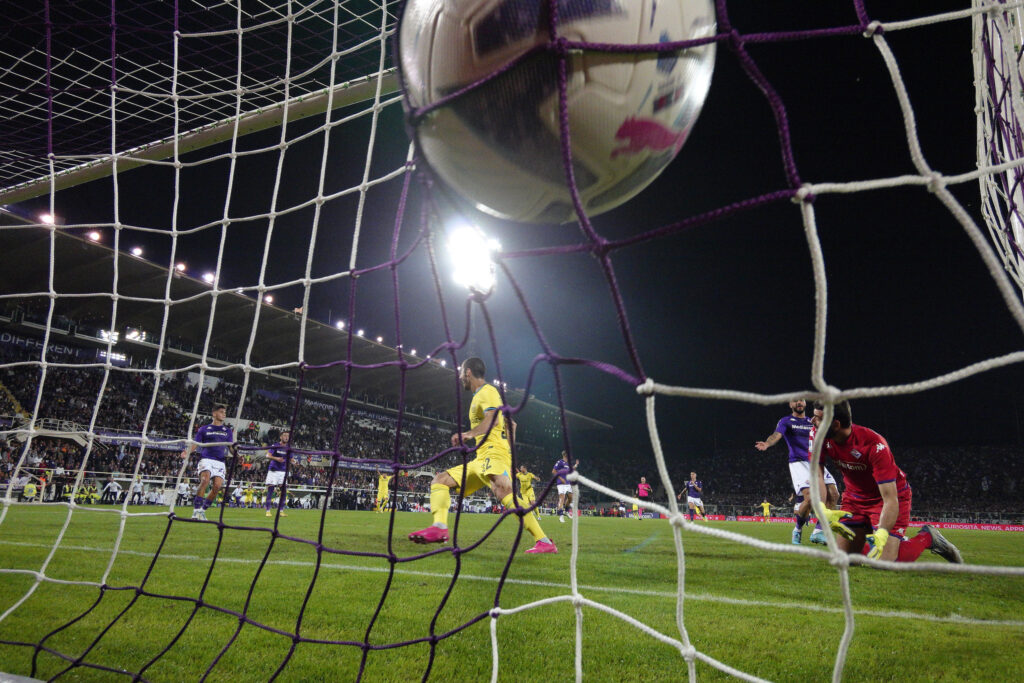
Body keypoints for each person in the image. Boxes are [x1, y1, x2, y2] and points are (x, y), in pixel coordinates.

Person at [409, 357, 556, 553]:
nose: (460, 377)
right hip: (483, 458)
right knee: (440, 480)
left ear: (468, 372)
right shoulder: (485, 395)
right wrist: (508, 453)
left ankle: (544, 541)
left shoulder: (487, 392)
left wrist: (469, 434)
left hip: (492, 454)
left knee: (503, 492)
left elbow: (493, 419)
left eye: (462, 373)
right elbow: (511, 425)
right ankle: (440, 528)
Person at [811, 401, 962, 564]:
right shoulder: (817, 434)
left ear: (835, 424)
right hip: (854, 499)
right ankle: (865, 537)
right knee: (844, 560)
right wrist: (821, 507)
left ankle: (927, 537)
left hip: (887, 498)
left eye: (818, 418)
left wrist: (882, 533)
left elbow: (890, 498)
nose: (812, 421)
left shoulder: (874, 445)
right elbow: (817, 474)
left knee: (884, 562)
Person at [755, 399, 840, 545]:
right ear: (790, 404)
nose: (798, 403)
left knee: (834, 493)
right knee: (811, 497)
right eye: (795, 401)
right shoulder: (786, 421)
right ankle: (798, 529)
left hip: (816, 461)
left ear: (805, 403)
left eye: (801, 400)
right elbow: (777, 434)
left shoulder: (811, 420)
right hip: (798, 463)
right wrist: (768, 443)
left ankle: (819, 531)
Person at [181, 404, 235, 521]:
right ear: (214, 414)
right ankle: (195, 511)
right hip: (206, 458)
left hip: (220, 461)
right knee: (205, 480)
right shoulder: (204, 429)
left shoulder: (228, 431)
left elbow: (231, 447)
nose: (224, 414)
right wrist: (188, 452)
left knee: (217, 486)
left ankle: (203, 511)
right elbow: (196, 443)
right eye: (221, 412)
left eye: (225, 412)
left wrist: (237, 454)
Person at [264, 431, 292, 517]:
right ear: (281, 437)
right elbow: (268, 455)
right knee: (271, 490)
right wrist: (276, 458)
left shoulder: (289, 448)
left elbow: (291, 459)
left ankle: (281, 511)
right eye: (284, 435)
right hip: (273, 471)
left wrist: (295, 462)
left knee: (284, 491)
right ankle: (268, 511)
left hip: (283, 472)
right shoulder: (275, 445)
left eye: (288, 436)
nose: (286, 437)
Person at [553, 451, 579, 522]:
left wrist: (576, 465)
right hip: (561, 484)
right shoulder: (560, 462)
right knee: (562, 498)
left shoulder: (568, 464)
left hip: (567, 483)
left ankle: (566, 511)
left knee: (570, 498)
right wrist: (561, 479)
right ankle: (561, 516)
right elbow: (554, 471)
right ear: (565, 455)